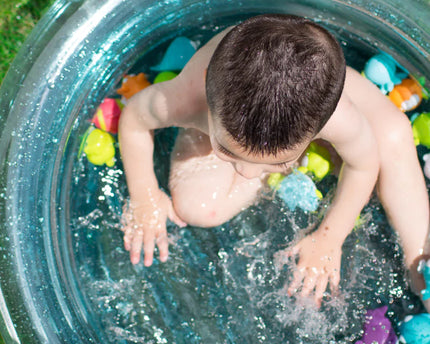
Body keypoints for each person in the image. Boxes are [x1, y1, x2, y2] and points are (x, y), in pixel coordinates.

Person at [119, 14, 430, 310]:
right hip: (242, 83)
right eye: (229, 152)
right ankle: (284, 157)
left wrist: (330, 237)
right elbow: (134, 118)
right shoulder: (187, 99)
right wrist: (144, 195)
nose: (245, 171)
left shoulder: (338, 116)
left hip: (306, 79)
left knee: (391, 134)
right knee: (197, 209)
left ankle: (422, 265)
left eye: (275, 163)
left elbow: (364, 163)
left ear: (323, 124)